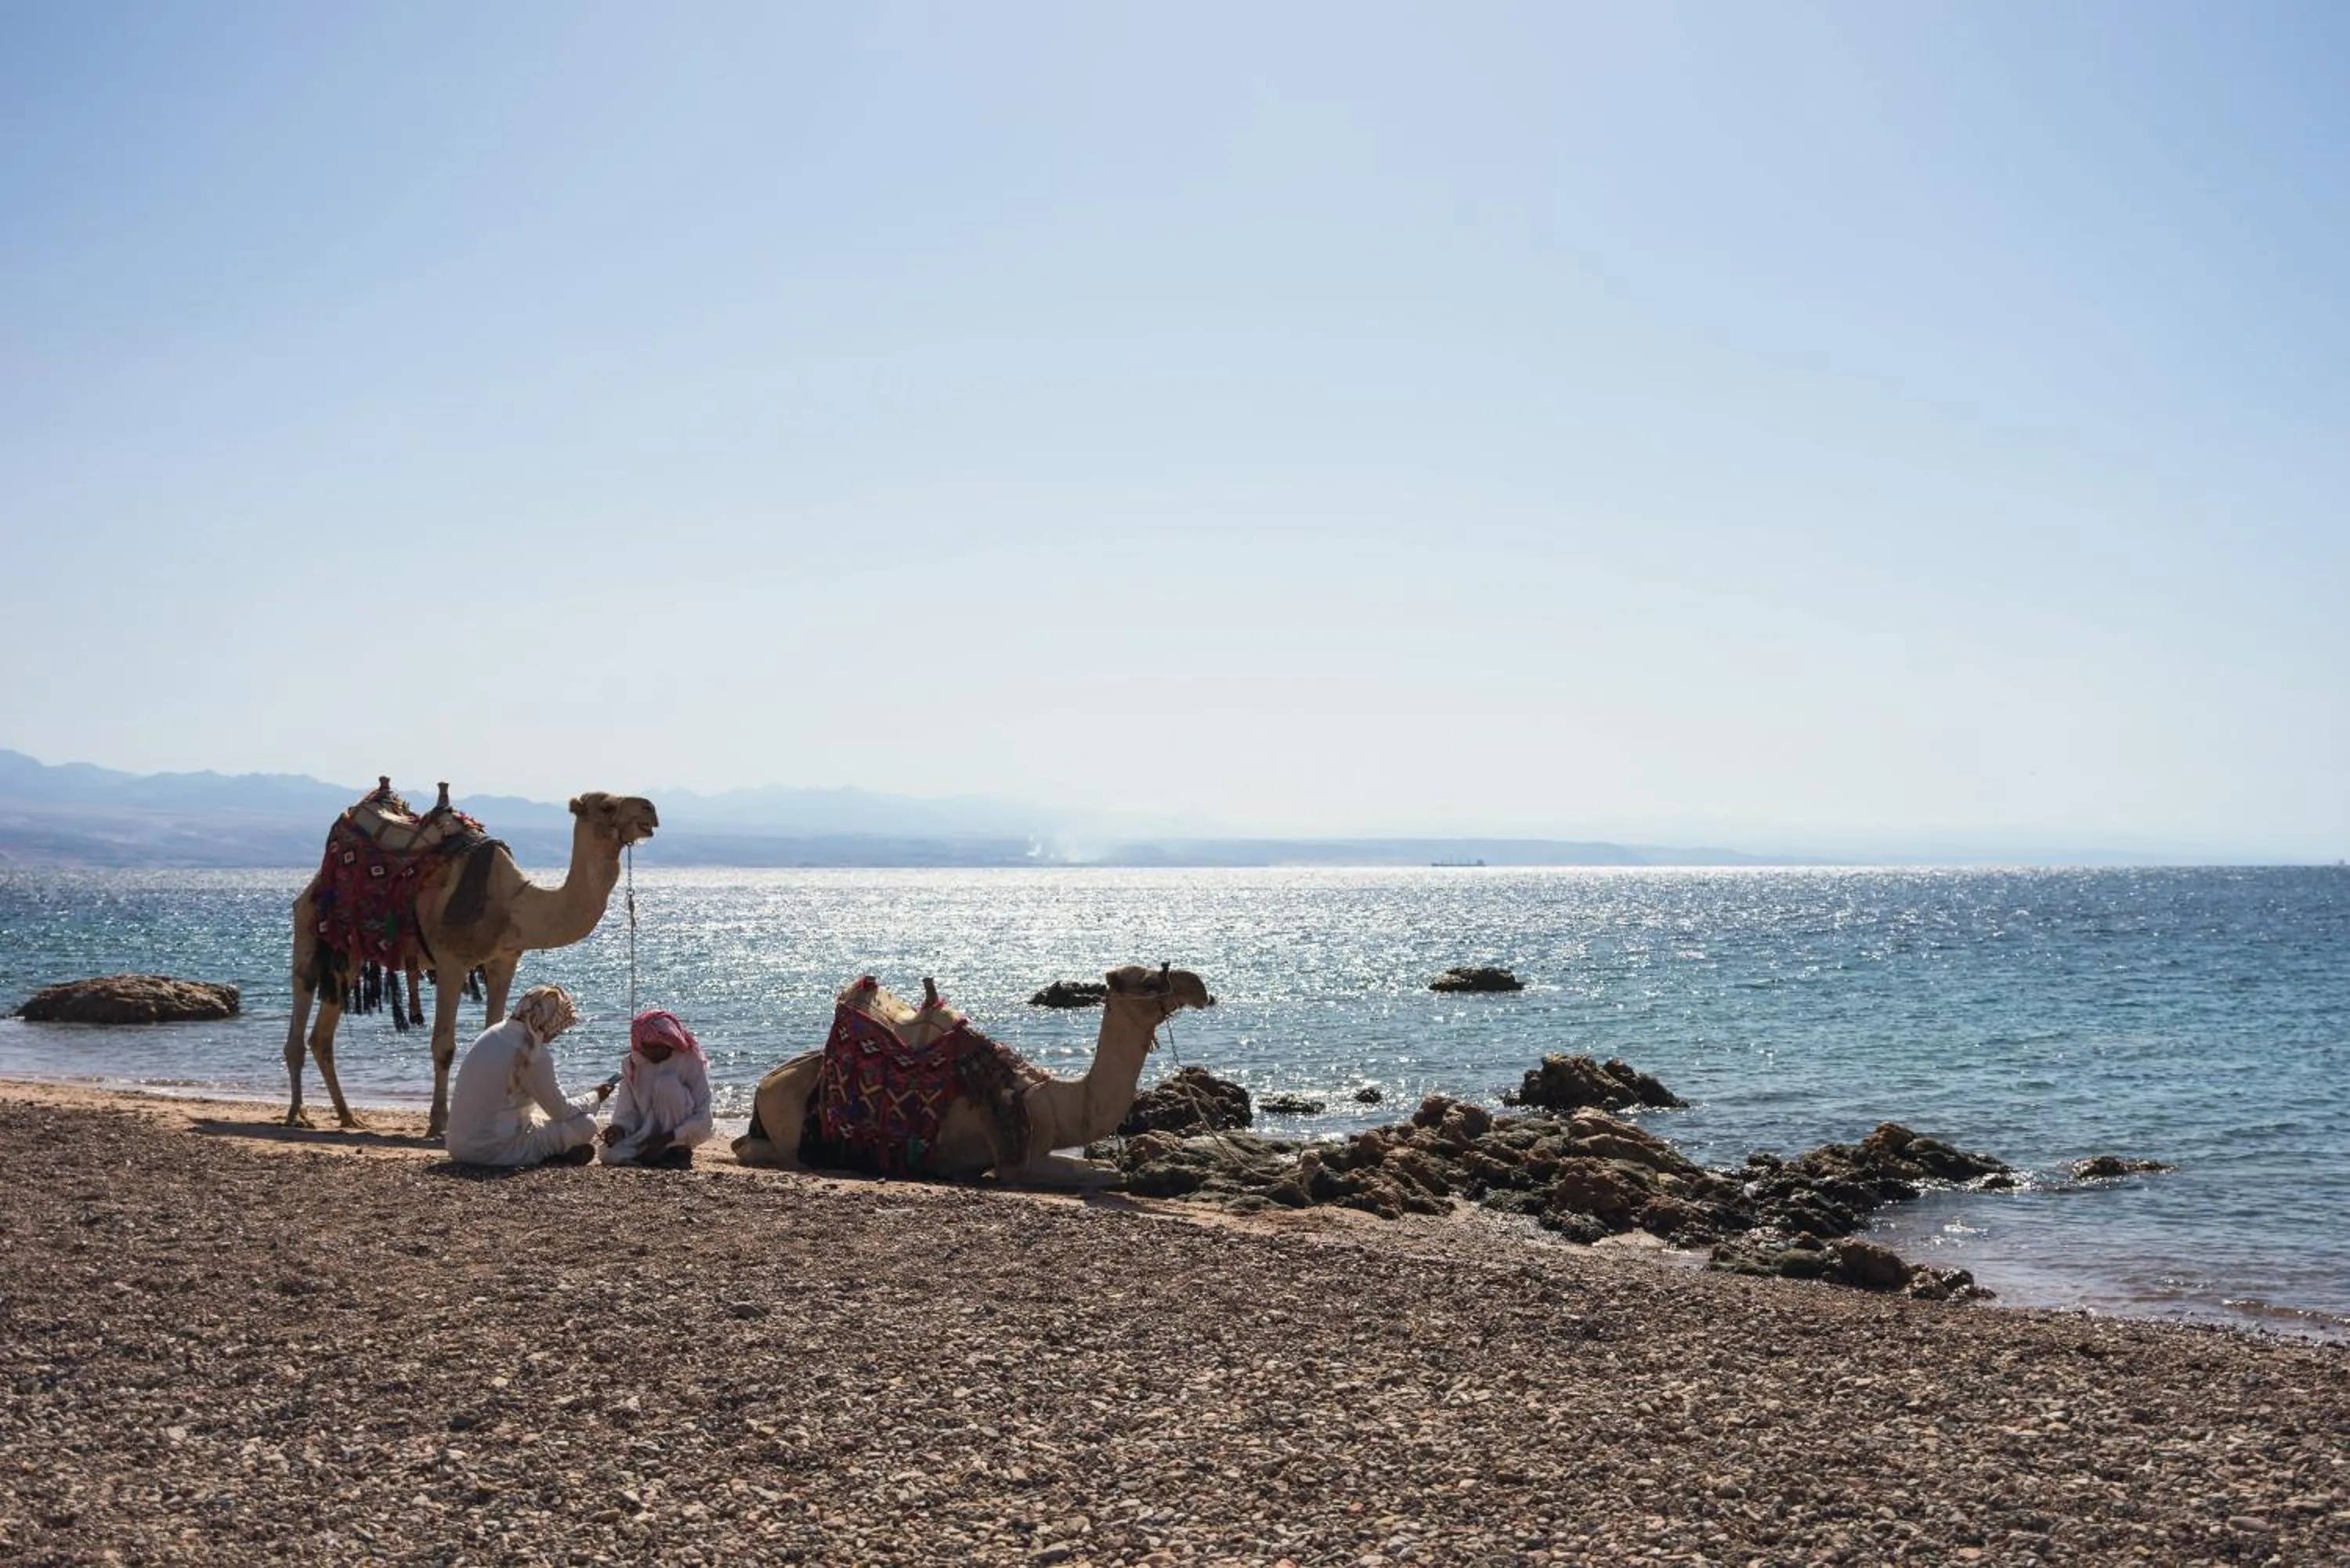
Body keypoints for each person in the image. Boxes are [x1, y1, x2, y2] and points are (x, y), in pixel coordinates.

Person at [445, 984, 611, 1167]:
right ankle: (552, 1155)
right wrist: (595, 1097)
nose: (558, 1033)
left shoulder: (492, 1033)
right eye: (558, 1027)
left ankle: (557, 1155)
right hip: (494, 1151)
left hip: (457, 1147)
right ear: (547, 1022)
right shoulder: (534, 1053)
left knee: (537, 1116)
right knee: (586, 1123)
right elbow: (560, 1111)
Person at [599, 1008, 714, 1169]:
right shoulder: (632, 1064)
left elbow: (704, 1117)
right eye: (648, 1048)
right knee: (608, 1154)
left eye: (658, 1047)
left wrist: (668, 1138)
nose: (653, 1053)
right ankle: (654, 1156)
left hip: (678, 1135)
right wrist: (618, 1130)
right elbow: (626, 1110)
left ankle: (676, 1152)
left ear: (670, 1042)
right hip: (646, 1135)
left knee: (666, 1084)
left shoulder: (689, 1059)